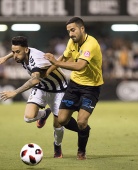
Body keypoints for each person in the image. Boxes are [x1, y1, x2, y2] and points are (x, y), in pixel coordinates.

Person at [0, 36, 68, 158]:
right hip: (41, 86)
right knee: (28, 118)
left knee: (58, 125)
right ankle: (44, 114)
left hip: (58, 89)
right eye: (13, 52)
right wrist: (5, 58)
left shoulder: (36, 60)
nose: (15, 55)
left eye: (17, 52)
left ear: (26, 50)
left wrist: (15, 92)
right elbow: (17, 52)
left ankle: (57, 146)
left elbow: (34, 80)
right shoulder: (23, 52)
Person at [44, 17, 104, 160]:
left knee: (81, 121)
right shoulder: (72, 41)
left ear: (82, 29)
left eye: (73, 30)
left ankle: (81, 152)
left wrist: (55, 62)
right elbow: (63, 58)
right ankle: (84, 130)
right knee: (62, 120)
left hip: (91, 87)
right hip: (74, 85)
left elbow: (79, 66)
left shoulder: (91, 44)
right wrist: (47, 72)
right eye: (68, 31)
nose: (70, 34)